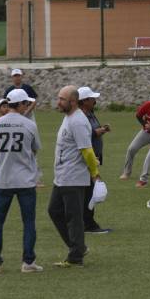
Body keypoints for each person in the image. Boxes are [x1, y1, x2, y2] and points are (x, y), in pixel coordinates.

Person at [0, 88, 44, 274]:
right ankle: (28, 262)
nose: (28, 106)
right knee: (29, 222)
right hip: (25, 180)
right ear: (21, 104)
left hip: (3, 180)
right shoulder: (29, 124)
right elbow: (35, 149)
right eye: (26, 103)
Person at [49, 85, 97, 267]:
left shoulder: (77, 121)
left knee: (73, 217)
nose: (58, 102)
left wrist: (95, 174)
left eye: (62, 99)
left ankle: (76, 256)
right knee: (54, 210)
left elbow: (87, 151)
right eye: (59, 98)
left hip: (73, 177)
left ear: (74, 102)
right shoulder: (69, 117)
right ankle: (78, 247)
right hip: (62, 176)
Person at [78, 87, 111, 234]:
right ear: (84, 101)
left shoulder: (90, 113)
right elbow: (87, 133)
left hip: (94, 157)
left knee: (89, 191)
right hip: (87, 159)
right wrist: (100, 131)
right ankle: (88, 224)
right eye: (92, 99)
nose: (95, 101)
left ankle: (86, 222)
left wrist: (102, 129)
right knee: (89, 192)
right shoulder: (80, 116)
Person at [119, 89, 150, 180]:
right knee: (131, 149)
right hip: (147, 133)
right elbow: (138, 115)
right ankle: (126, 172)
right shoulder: (148, 105)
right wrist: (145, 124)